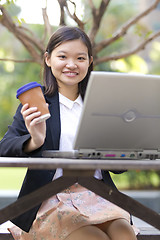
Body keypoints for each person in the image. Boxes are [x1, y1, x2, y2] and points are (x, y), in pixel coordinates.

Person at [0, 26, 139, 240]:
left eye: (80, 58)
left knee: (125, 235)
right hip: (50, 200)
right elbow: (5, 147)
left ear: (90, 61)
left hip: (99, 196)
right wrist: (35, 141)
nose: (71, 65)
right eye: (62, 56)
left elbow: (118, 168)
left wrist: (121, 144)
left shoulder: (101, 105)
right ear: (48, 59)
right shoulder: (38, 104)